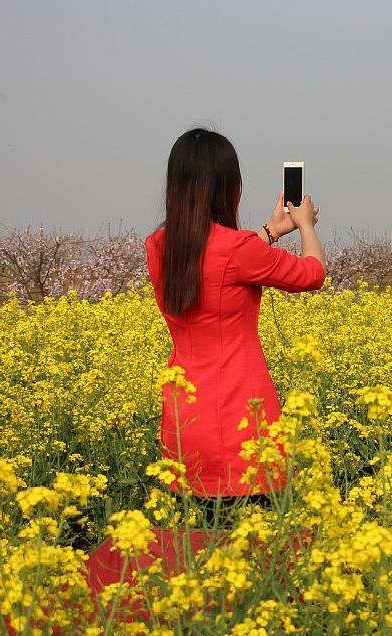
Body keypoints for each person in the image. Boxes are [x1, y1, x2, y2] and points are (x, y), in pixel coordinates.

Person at [144, 127, 326, 522]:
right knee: (252, 545)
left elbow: (216, 258)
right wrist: (305, 225)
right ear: (229, 188)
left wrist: (271, 231)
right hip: (241, 419)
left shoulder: (158, 247)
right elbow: (313, 274)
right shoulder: (237, 249)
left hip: (185, 419)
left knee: (196, 546)